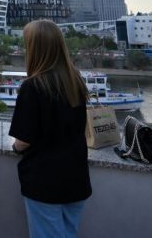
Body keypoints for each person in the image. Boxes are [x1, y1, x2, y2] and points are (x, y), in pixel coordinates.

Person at [9, 20, 92, 238]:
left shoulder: (32, 87)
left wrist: (15, 149)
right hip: (76, 177)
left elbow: (23, 140)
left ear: (35, 48)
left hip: (44, 182)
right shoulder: (76, 80)